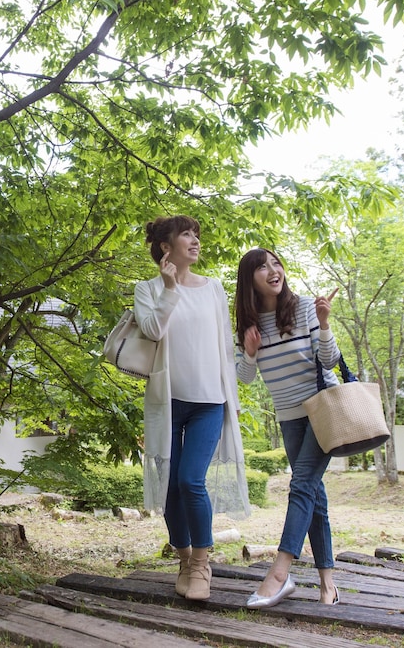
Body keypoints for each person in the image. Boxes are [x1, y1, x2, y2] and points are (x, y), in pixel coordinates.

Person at [133, 215, 251, 601]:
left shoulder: (213, 288)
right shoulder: (147, 289)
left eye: (196, 235)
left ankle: (201, 563)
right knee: (170, 489)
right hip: (167, 403)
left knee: (190, 481)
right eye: (187, 235)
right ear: (166, 246)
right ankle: (184, 559)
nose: (195, 241)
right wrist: (169, 289)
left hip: (209, 402)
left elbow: (222, 345)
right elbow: (152, 331)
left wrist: (235, 386)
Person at [233, 247, 341, 607]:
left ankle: (279, 574)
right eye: (262, 267)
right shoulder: (248, 325)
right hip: (288, 416)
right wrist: (249, 351)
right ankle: (328, 584)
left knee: (302, 483)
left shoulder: (306, 306)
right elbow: (245, 378)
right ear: (250, 279)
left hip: (322, 409)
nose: (272, 270)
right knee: (315, 496)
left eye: (276, 263)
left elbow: (328, 360)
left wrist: (324, 324)